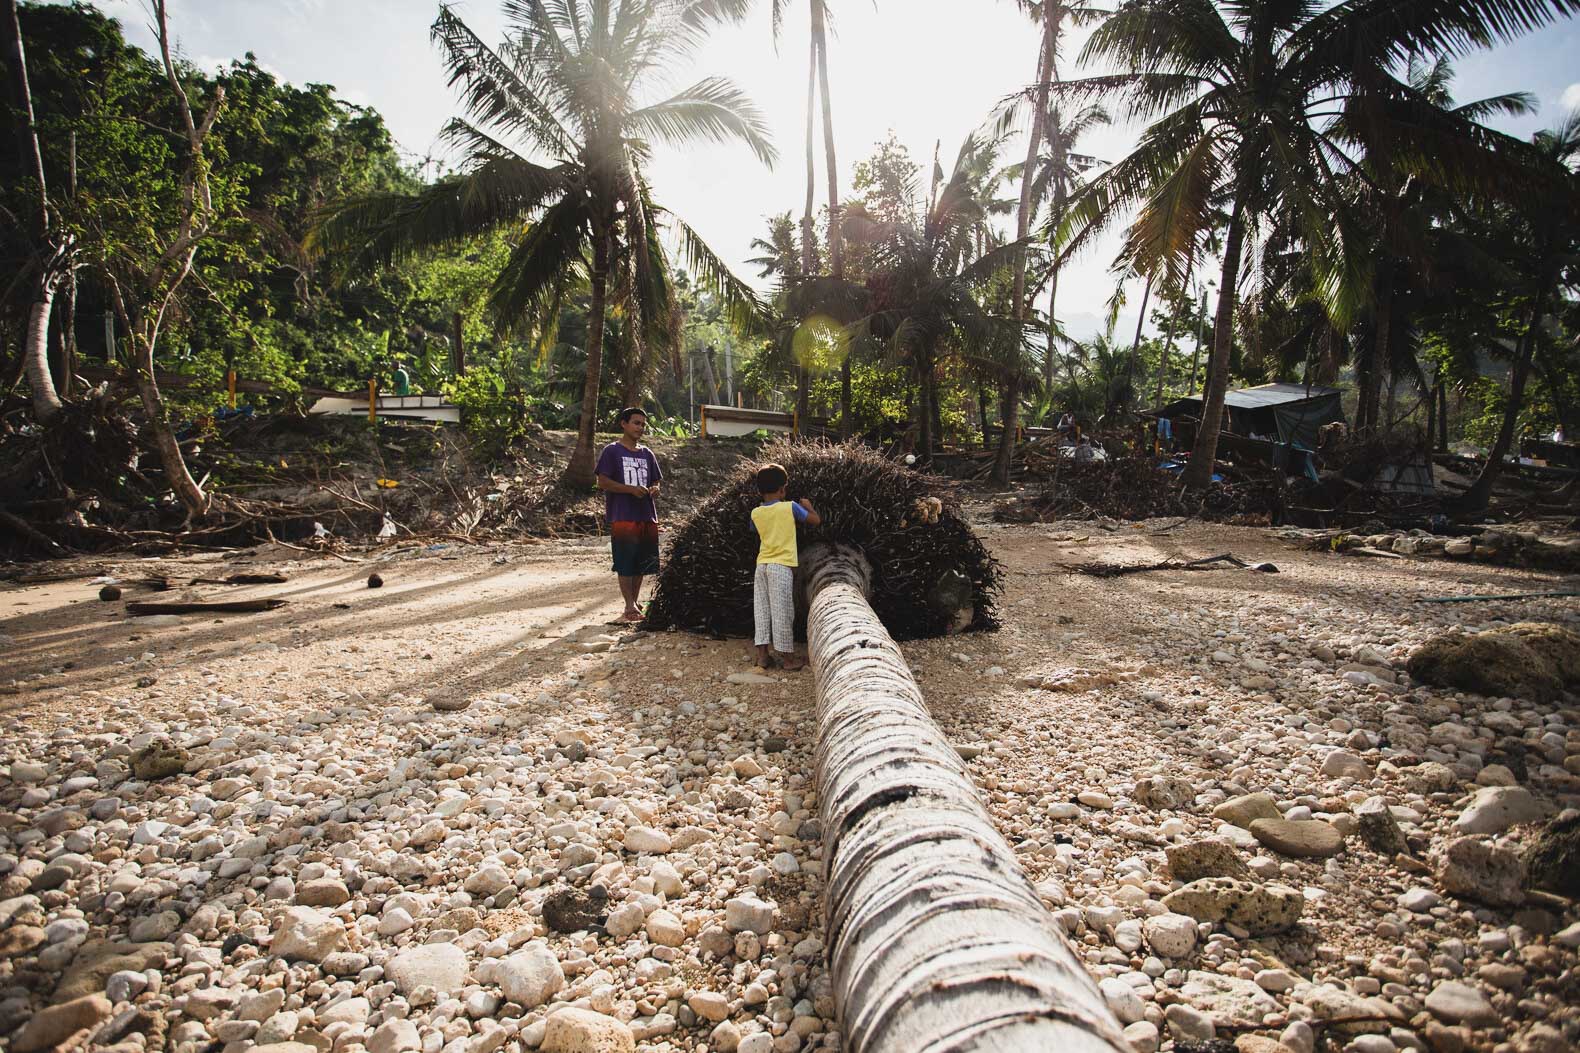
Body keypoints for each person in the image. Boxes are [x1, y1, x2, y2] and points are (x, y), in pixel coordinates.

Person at [749, 463, 821, 671]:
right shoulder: (790, 507)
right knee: (783, 611)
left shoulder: (756, 513)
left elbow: (755, 530)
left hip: (761, 565)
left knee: (761, 609)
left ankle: (762, 656)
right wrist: (808, 507)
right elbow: (815, 521)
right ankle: (787, 659)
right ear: (782, 489)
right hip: (781, 567)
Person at [596, 408, 663, 623]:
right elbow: (603, 482)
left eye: (643, 424)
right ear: (623, 424)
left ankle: (633, 602)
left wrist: (654, 489)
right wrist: (630, 489)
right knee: (625, 561)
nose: (640, 428)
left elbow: (656, 480)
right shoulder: (612, 451)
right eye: (636, 423)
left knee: (642, 561)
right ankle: (628, 605)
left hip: (646, 514)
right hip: (623, 514)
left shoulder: (647, 454)